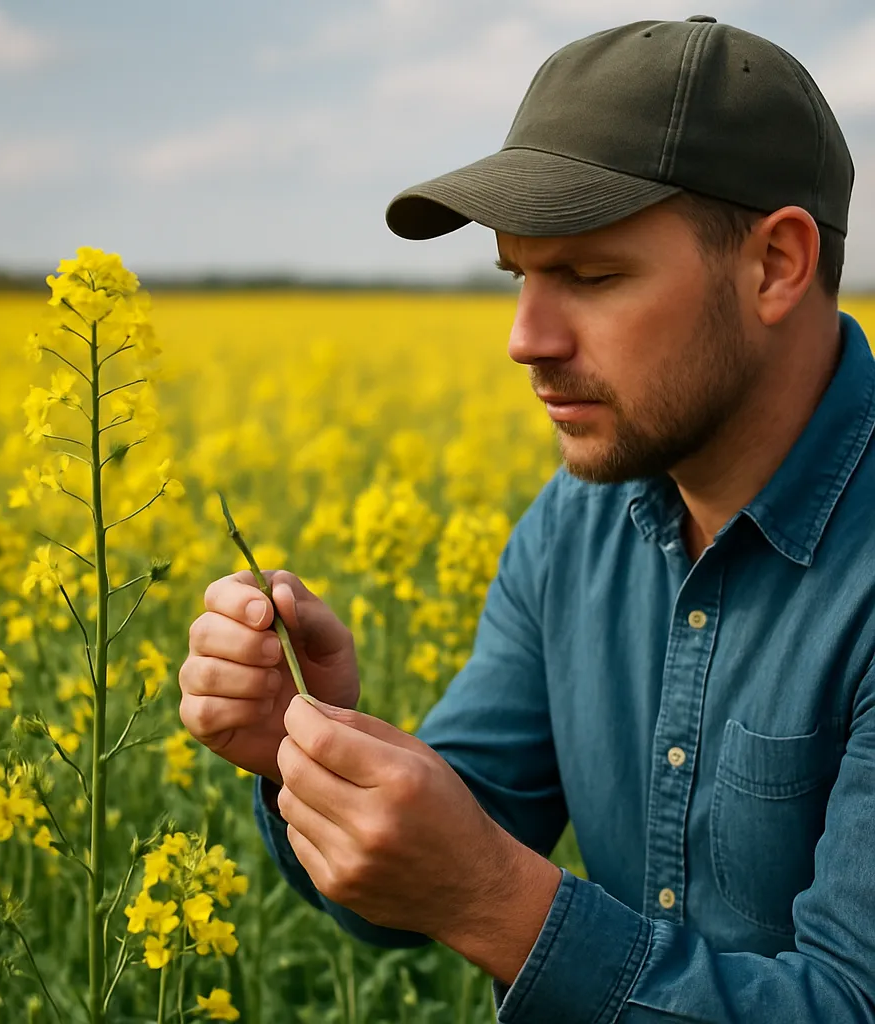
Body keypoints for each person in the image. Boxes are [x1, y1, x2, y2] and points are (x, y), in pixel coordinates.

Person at [179, 15, 875, 1021]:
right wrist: (309, 741)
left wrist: (493, 899)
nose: (524, 339)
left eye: (590, 276)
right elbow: (431, 866)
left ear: (774, 265)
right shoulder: (573, 526)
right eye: (520, 275)